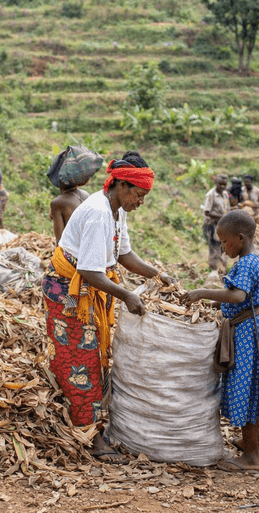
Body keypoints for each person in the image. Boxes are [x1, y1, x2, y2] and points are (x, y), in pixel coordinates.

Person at [42, 151, 175, 463]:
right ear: (123, 186)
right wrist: (127, 295)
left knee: (90, 357)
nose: (141, 201)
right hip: (70, 293)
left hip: (87, 287)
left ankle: (84, 418)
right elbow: (89, 270)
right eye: (139, 195)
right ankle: (91, 437)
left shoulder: (116, 209)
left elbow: (125, 255)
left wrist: (158, 274)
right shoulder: (100, 212)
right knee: (81, 361)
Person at [183, 210, 259, 472]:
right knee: (251, 390)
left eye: (225, 242)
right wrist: (212, 302)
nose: (222, 247)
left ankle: (252, 458)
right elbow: (237, 296)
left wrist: (201, 293)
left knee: (247, 391)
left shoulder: (248, 262)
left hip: (251, 335)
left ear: (240, 238)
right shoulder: (252, 260)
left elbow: (237, 297)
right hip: (254, 330)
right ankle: (249, 443)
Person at [202, 174, 230, 273]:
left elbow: (227, 209)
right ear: (216, 183)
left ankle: (222, 269)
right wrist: (222, 217)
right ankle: (215, 272)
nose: (222, 186)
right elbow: (207, 212)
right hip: (211, 226)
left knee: (222, 248)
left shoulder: (226, 194)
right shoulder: (210, 195)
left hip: (222, 225)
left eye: (224, 184)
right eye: (220, 184)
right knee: (214, 249)